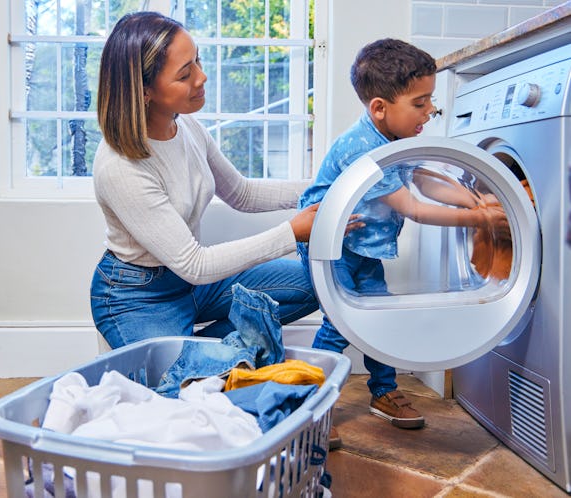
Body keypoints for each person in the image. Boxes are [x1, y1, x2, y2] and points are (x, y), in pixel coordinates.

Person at [89, 12, 359, 349]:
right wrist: (292, 233)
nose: (202, 77)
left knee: (319, 284)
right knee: (179, 391)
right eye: (185, 74)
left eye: (197, 61)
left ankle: (205, 354)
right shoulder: (120, 166)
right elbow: (194, 263)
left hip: (193, 284)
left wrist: (331, 187)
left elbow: (242, 193)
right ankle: (198, 358)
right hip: (138, 295)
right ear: (145, 91)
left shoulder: (186, 127)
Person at [296, 38, 508, 438]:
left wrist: (472, 197)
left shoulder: (396, 140)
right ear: (380, 108)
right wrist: (477, 218)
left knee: (380, 313)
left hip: (361, 244)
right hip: (328, 246)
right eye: (420, 103)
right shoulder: (362, 147)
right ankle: (309, 406)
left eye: (430, 100)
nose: (430, 110)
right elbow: (411, 207)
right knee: (341, 322)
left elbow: (424, 179)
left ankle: (383, 392)